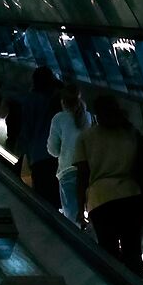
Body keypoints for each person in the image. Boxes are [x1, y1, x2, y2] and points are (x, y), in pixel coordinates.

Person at [79, 93, 143, 265]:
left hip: (101, 199)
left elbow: (82, 174)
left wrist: (80, 206)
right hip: (131, 196)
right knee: (132, 251)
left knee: (108, 253)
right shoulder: (131, 133)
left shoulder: (87, 137)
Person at [14, 66, 60, 205]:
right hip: (57, 154)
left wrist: (22, 148)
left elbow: (27, 127)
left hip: (38, 153)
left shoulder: (30, 99)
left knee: (41, 192)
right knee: (55, 191)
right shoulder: (56, 98)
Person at [47, 85, 86, 224]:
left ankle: (75, 242)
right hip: (87, 170)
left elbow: (53, 150)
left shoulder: (59, 119)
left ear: (63, 101)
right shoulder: (87, 116)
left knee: (71, 216)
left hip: (67, 170)